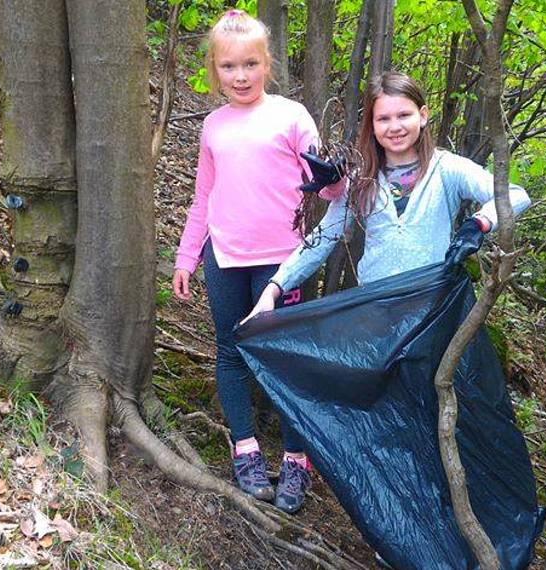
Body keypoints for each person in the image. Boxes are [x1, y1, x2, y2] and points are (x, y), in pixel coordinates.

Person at [171, 9, 341, 514]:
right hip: (223, 256)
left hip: (283, 262)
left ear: (267, 64)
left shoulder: (291, 117)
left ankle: (295, 457)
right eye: (228, 66)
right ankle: (244, 448)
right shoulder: (213, 126)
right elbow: (204, 196)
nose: (240, 76)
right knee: (230, 350)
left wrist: (332, 177)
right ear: (214, 70)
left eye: (250, 64)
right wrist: (186, 255)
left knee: (286, 356)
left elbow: (331, 188)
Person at [247, 71, 532, 317]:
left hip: (430, 309)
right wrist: (275, 288)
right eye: (383, 119)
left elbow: (517, 195)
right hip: (374, 310)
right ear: (372, 125)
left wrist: (480, 223)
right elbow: (322, 238)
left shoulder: (448, 169)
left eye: (404, 115)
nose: (394, 127)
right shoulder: (362, 181)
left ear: (422, 116)